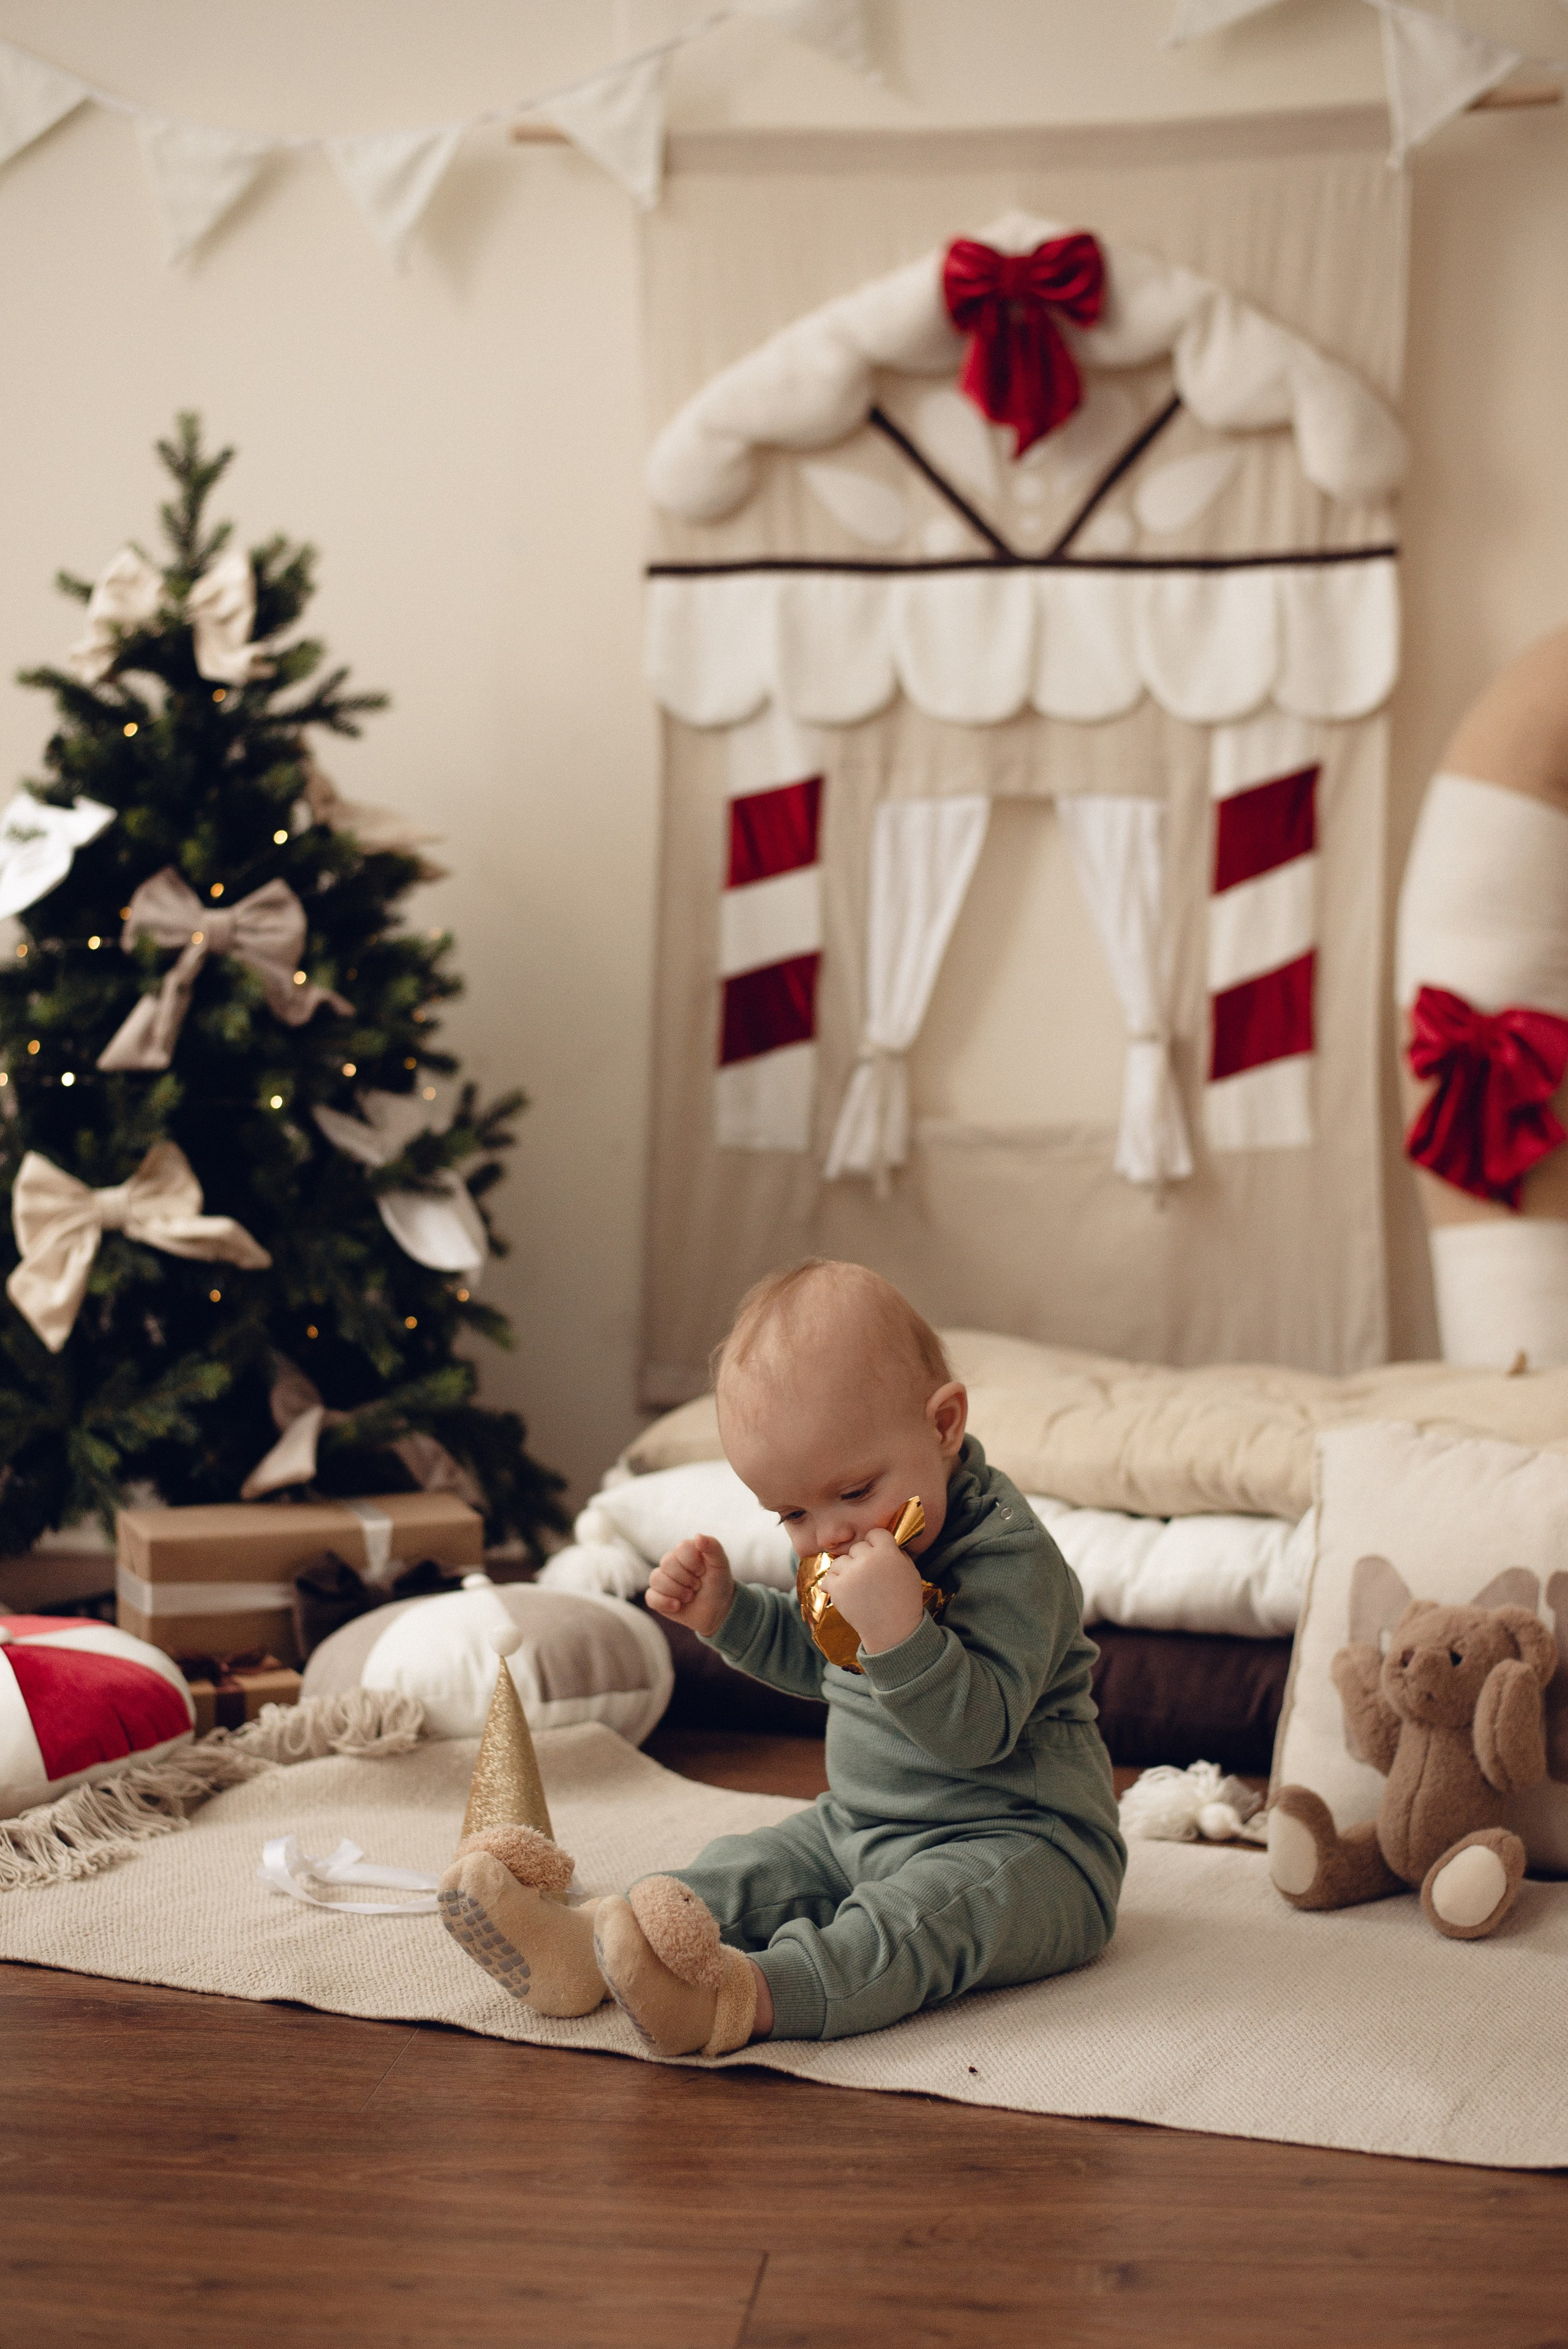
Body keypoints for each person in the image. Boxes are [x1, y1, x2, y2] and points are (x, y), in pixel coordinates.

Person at [439, 1260, 1125, 2056]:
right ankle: (586, 1944)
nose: (829, 1534)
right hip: (862, 1825)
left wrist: (902, 1633)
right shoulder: (855, 1542)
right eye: (793, 1513)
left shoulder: (1013, 1561)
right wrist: (728, 1613)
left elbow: (977, 1734)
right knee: (747, 1867)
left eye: (854, 1491)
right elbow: (825, 1664)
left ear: (942, 1426)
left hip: (1024, 1847)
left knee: (910, 1927)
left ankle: (740, 2000)